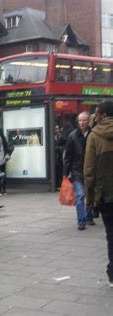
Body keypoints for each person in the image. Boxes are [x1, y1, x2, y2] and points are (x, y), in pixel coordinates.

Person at [84, 101, 113, 287]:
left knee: (111, 234)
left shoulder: (94, 136)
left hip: (106, 194)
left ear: (103, 115)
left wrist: (89, 199)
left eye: (96, 113)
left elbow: (89, 171)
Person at [63, 112, 95, 231]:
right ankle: (81, 220)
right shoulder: (73, 136)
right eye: (80, 120)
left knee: (90, 195)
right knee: (80, 196)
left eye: (84, 120)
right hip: (77, 171)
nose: (82, 123)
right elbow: (68, 156)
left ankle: (89, 215)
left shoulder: (94, 134)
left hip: (91, 170)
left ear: (89, 121)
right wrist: (65, 174)